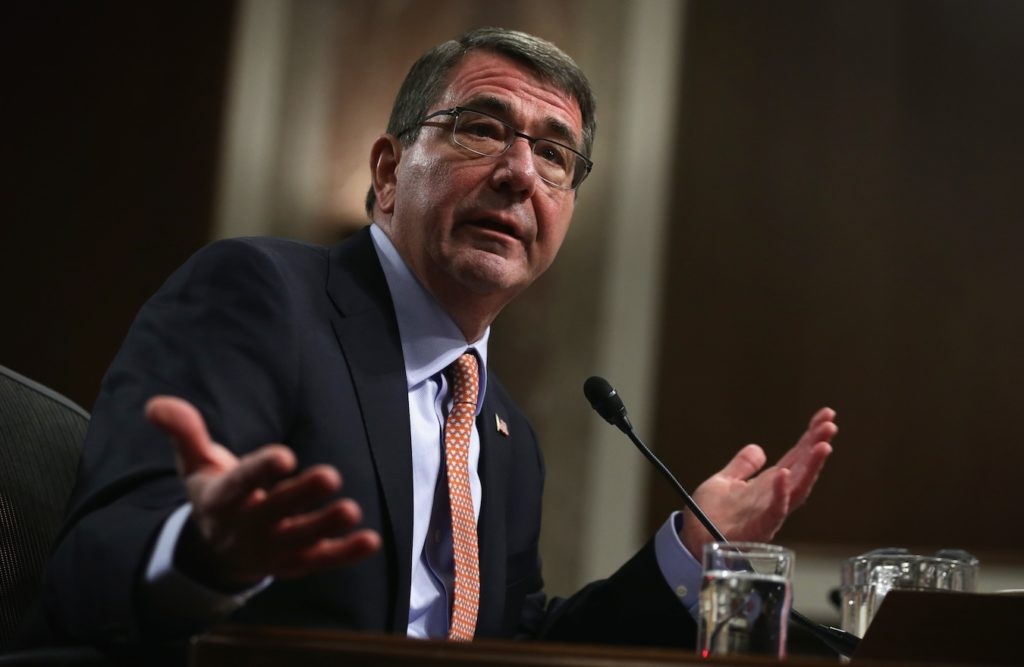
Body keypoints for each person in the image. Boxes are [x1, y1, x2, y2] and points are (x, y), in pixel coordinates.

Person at [33, 27, 836, 658]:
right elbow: (90, 570)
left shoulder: (503, 431)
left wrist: (687, 552)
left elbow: (511, 653)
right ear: (387, 172)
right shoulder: (261, 297)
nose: (520, 173)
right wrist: (206, 556)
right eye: (482, 129)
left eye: (555, 155)